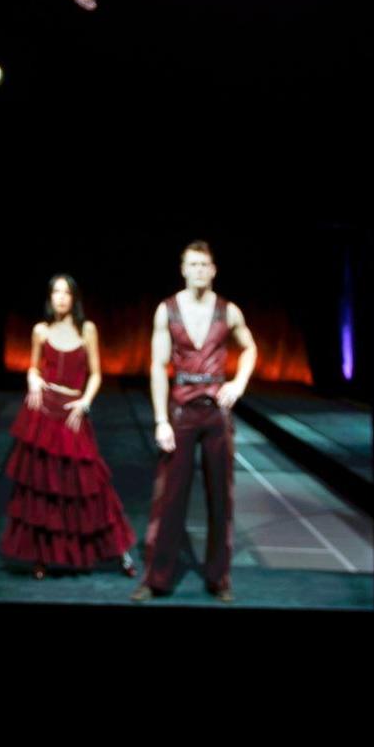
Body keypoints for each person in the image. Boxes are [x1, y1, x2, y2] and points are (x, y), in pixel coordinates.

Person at [133, 241, 255, 602]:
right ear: (183, 269)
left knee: (221, 497)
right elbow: (157, 365)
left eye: (205, 265)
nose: (199, 270)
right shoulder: (166, 310)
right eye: (193, 264)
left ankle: (219, 578)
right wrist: (160, 420)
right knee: (169, 497)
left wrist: (238, 383)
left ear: (213, 270)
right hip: (182, 410)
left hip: (216, 411)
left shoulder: (227, 311)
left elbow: (250, 347)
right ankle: (157, 578)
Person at [2, 275, 135, 580]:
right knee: (43, 486)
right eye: (55, 292)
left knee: (89, 485)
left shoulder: (87, 329)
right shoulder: (41, 330)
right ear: (50, 297)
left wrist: (85, 401)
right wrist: (33, 379)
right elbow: (34, 367)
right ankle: (42, 555)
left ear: (74, 298)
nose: (61, 298)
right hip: (44, 411)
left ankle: (119, 553)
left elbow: (97, 374)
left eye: (66, 292)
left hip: (73, 412)